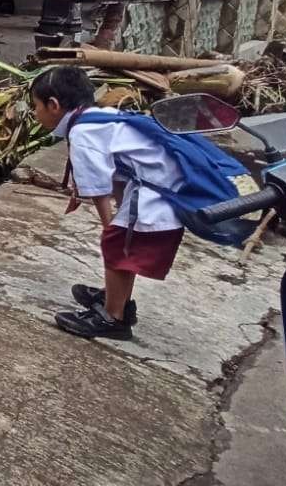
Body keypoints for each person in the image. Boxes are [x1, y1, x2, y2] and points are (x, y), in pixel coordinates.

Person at [29, 65, 187, 341]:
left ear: (53, 105)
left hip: (157, 196)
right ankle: (119, 301)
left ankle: (113, 318)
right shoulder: (101, 117)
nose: (34, 113)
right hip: (162, 189)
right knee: (123, 249)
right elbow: (116, 173)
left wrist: (108, 226)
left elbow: (98, 187)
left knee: (117, 247)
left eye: (35, 106)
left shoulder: (82, 133)